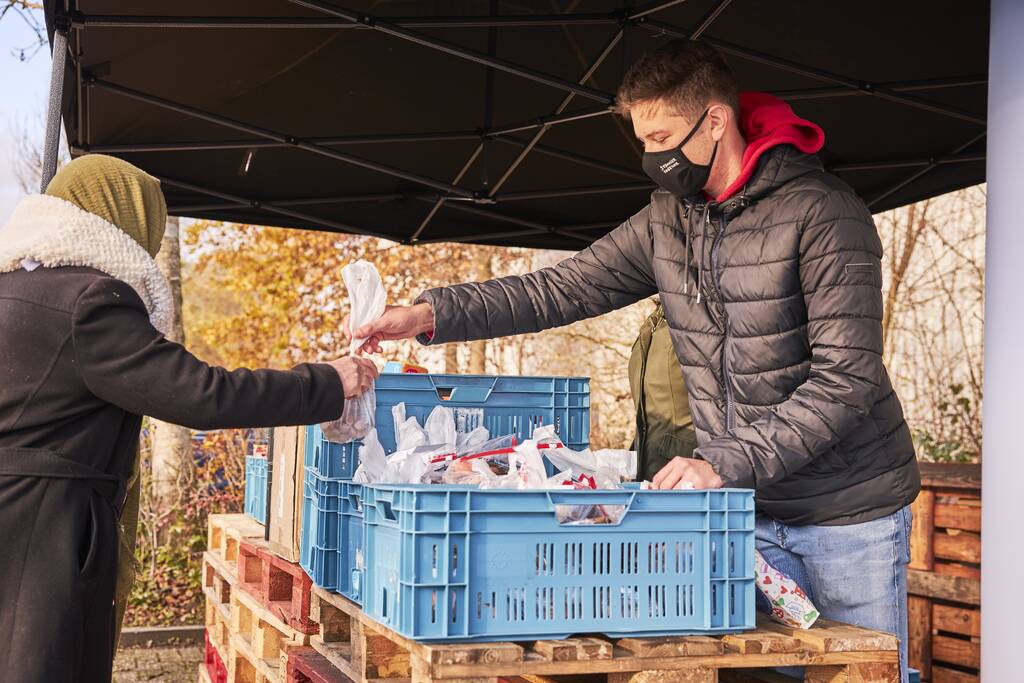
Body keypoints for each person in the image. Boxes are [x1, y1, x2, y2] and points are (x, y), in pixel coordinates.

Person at [352, 41, 919, 683]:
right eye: (643, 140)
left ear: (715, 121)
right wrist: (427, 315)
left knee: (863, 671)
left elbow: (847, 381)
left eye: (663, 137)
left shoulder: (823, 212)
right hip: (745, 510)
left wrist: (724, 462)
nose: (653, 156)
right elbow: (561, 288)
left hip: (847, 514)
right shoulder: (667, 219)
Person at [0, 155, 378, 683]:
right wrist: (327, 383)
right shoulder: (89, 299)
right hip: (43, 536)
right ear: (122, 221)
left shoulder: (14, 289)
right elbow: (202, 395)